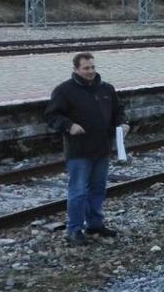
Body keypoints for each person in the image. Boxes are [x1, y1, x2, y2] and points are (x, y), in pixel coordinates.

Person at [45, 53, 128, 246]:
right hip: (79, 150)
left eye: (92, 67)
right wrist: (69, 125)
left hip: (102, 148)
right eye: (86, 68)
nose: (90, 71)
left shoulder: (106, 89)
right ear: (76, 69)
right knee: (78, 191)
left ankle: (94, 224)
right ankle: (74, 229)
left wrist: (123, 123)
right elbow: (51, 116)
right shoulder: (64, 91)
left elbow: (118, 111)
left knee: (98, 188)